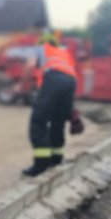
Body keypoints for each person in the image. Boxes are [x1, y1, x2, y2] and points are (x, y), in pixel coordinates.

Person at [22, 31, 83, 177]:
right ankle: (56, 159)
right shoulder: (63, 52)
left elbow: (30, 66)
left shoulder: (41, 48)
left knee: (38, 121)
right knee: (58, 121)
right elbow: (69, 72)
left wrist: (23, 86)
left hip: (53, 80)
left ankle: (41, 164)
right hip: (70, 82)